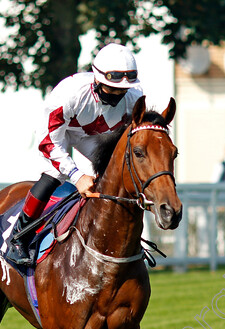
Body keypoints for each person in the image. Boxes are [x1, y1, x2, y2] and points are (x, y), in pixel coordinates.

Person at [7, 43, 144, 265]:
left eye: (123, 90)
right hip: (59, 134)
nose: (118, 95)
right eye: (112, 88)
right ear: (97, 80)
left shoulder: (135, 98)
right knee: (54, 174)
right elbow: (48, 141)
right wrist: (77, 175)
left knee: (113, 175)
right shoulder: (69, 94)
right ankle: (19, 236)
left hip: (93, 137)